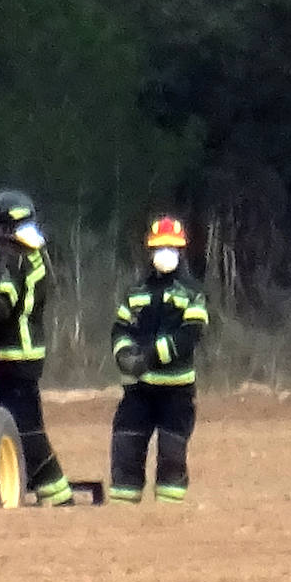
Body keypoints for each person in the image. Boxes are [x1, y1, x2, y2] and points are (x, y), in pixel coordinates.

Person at [0, 190, 74, 507]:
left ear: (6, 228)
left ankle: (59, 499)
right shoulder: (29, 255)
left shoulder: (15, 259)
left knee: (27, 432)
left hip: (16, 357)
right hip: (22, 358)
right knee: (21, 427)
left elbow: (4, 304)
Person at [109, 216, 209, 504]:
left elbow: (190, 335)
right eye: (160, 248)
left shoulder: (193, 293)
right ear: (150, 252)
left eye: (171, 248)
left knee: (172, 457)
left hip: (176, 392)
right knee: (125, 450)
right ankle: (121, 517)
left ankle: (169, 523)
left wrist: (149, 357)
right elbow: (120, 328)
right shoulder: (136, 291)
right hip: (138, 391)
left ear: (181, 252)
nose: (165, 253)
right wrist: (125, 355)